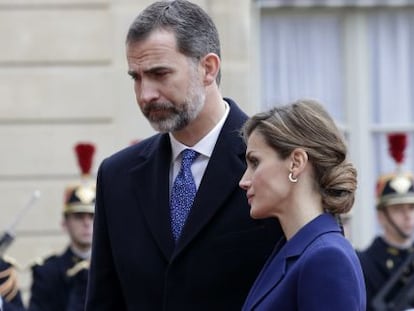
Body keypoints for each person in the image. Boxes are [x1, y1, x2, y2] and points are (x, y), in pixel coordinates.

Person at [85, 1, 283, 310]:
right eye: (136, 77)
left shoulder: (278, 162)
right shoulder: (116, 177)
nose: (145, 94)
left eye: (159, 73)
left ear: (208, 68)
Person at [239, 100, 366, 310]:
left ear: (296, 163)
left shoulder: (326, 257)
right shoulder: (293, 249)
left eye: (255, 162)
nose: (244, 181)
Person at [28, 143, 96, 311]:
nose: (86, 223)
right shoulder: (47, 271)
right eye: (79, 217)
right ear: (64, 224)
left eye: (93, 217)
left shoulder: (114, 267)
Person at [357, 133, 414, 311]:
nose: (407, 215)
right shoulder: (365, 263)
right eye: (398, 209)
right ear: (381, 216)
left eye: (411, 207)